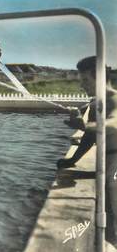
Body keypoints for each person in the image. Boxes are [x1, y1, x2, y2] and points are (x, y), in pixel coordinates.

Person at [57, 56, 117, 245]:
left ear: (99, 77)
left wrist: (85, 125)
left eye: (85, 81)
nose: (82, 86)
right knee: (108, 218)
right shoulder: (96, 104)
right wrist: (72, 160)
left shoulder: (115, 99)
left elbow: (112, 125)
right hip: (107, 163)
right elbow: (89, 139)